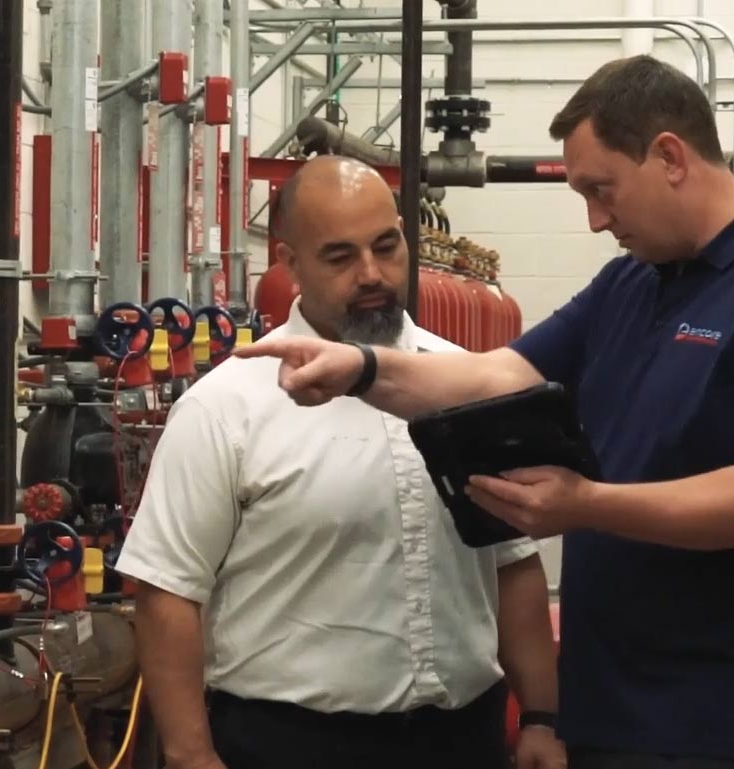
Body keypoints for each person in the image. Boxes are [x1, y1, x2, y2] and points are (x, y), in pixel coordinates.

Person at [235, 55, 734, 769]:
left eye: (600, 190)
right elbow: (496, 375)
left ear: (669, 157)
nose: (594, 220)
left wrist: (583, 505)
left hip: (723, 723)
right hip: (607, 707)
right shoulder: (631, 284)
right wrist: (359, 368)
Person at [115, 155, 565, 769]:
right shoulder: (226, 407)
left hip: (461, 739)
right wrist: (191, 754)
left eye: (386, 246)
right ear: (289, 261)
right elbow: (167, 590)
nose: (372, 274)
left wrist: (540, 716)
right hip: (289, 744)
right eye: (340, 257)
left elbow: (512, 562)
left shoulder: (468, 383)